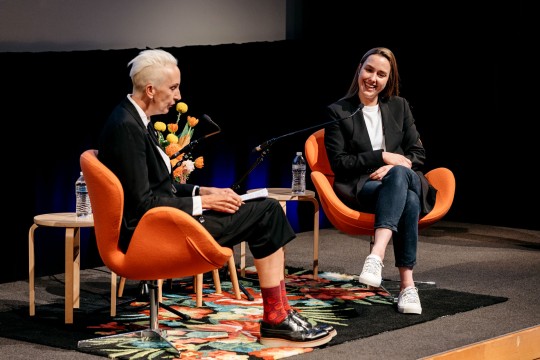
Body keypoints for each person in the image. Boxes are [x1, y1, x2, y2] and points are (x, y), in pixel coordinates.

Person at [97, 48, 336, 347]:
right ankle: (276, 317)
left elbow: (158, 188)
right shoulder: (125, 128)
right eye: (172, 88)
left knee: (265, 208)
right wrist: (205, 204)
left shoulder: (133, 118)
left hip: (164, 222)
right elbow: (143, 205)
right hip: (151, 234)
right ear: (150, 90)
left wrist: (203, 191)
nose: (178, 95)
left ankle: (280, 312)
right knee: (267, 212)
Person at [324, 47, 437, 315]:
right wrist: (382, 157)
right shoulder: (339, 111)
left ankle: (376, 255)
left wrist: (393, 166)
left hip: (400, 177)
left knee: (398, 175)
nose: (373, 78)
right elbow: (339, 162)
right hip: (363, 185)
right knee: (408, 198)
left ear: (388, 79)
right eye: (370, 70)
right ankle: (406, 285)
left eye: (381, 74)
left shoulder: (399, 106)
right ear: (360, 70)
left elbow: (418, 153)